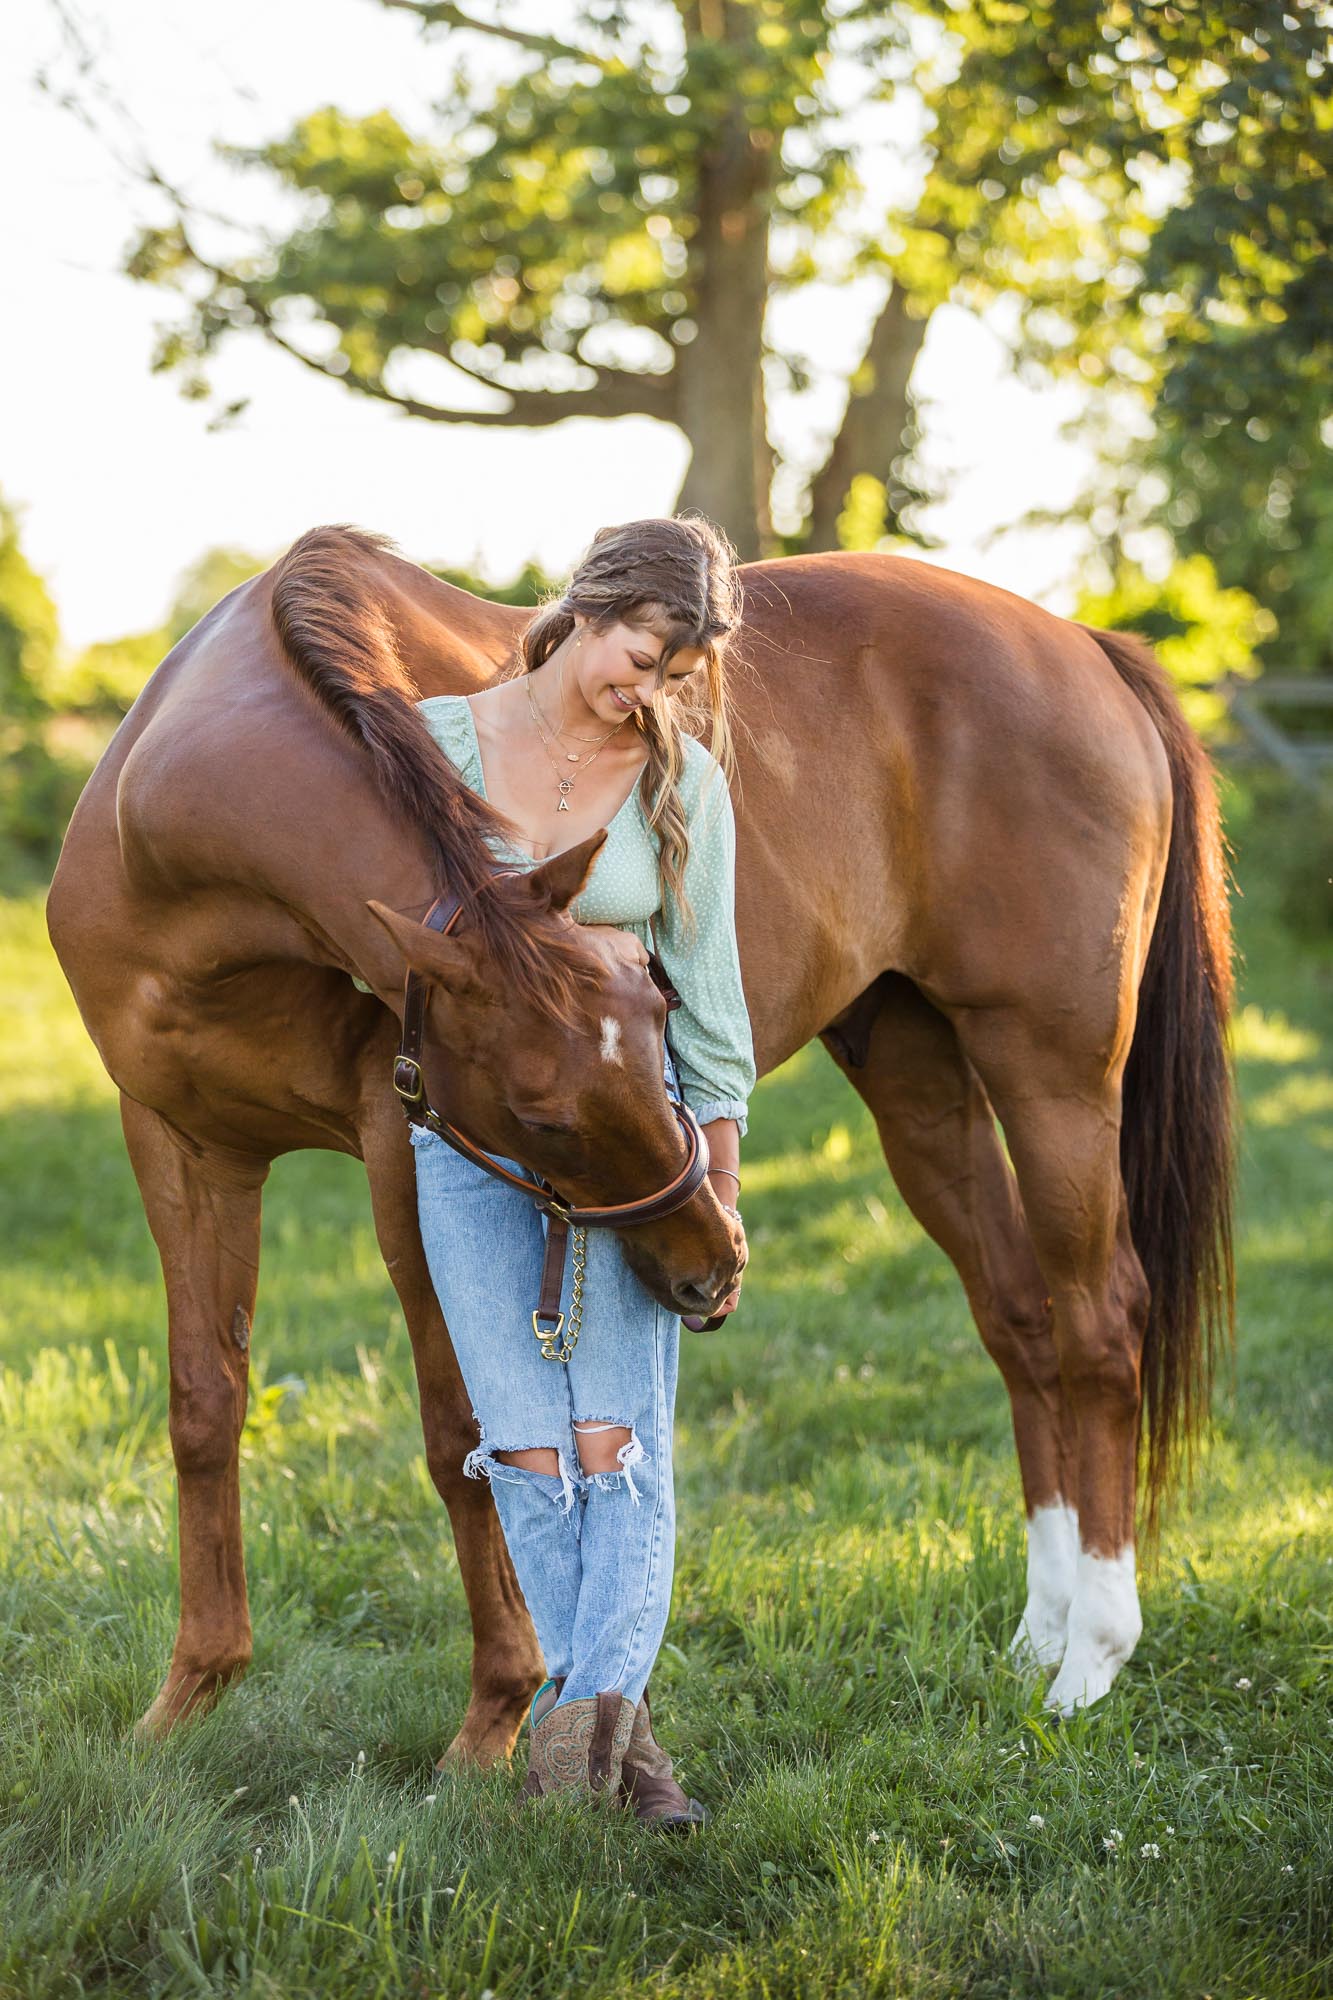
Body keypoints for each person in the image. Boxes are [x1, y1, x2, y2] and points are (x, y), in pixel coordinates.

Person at [410, 513, 756, 1826]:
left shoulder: (683, 787)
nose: (648, 690)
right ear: (586, 607)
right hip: (476, 1145)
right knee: (527, 1447)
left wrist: (716, 1185)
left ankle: (592, 1736)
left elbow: (711, 1007)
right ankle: (611, 1732)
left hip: (623, 1135)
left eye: (675, 674)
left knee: (614, 1440)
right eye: (641, 654)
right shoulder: (442, 746)